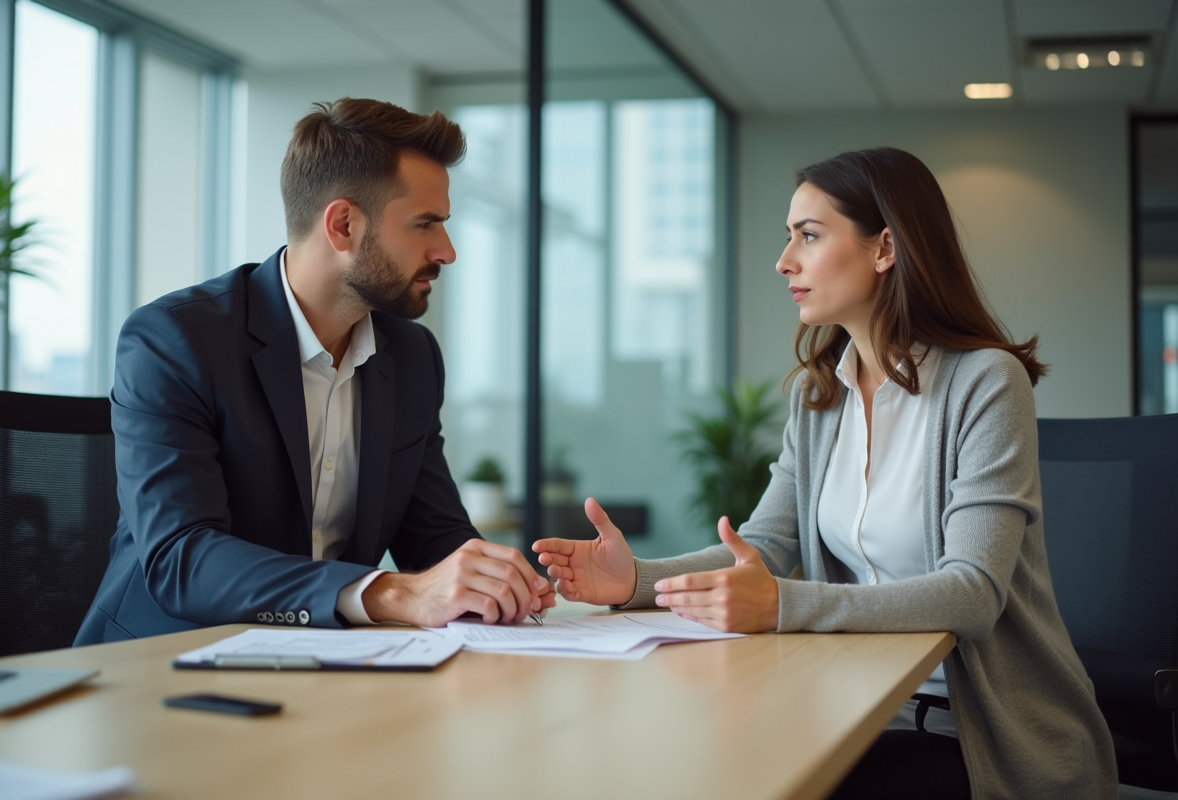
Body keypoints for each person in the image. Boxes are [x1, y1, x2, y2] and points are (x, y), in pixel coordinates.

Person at [533, 147, 1117, 799]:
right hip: (856, 706)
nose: (785, 261)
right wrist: (637, 580)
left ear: (884, 248)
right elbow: (768, 549)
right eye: (790, 239)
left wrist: (784, 604)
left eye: (809, 236)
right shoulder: (820, 398)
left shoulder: (984, 384)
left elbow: (972, 594)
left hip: (981, 737)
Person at [75, 98, 554, 646]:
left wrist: (502, 584)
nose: (446, 251)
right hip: (161, 665)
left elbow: (435, 538)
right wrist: (390, 593)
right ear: (343, 224)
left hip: (321, 666)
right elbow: (182, 558)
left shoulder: (413, 356)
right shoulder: (175, 341)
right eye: (426, 224)